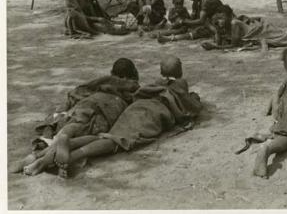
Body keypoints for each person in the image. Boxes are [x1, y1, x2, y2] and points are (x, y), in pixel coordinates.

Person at [22, 55, 202, 178]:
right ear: (180, 72)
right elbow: (188, 108)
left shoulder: (154, 84)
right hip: (145, 115)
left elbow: (138, 95)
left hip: (125, 109)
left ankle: (51, 150)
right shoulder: (178, 86)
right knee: (114, 139)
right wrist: (193, 103)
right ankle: (71, 156)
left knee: (88, 129)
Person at [11, 58, 140, 176]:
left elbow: (80, 91)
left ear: (112, 73)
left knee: (73, 125)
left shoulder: (105, 82)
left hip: (85, 104)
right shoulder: (132, 88)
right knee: (87, 133)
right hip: (104, 112)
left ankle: (38, 155)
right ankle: (42, 159)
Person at [201, 4, 287, 51]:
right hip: (255, 32)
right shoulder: (225, 26)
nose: (220, 21)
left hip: (260, 32)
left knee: (284, 38)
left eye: (222, 18)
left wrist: (214, 47)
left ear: (229, 16)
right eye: (218, 19)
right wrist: (217, 31)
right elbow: (219, 42)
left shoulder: (234, 23)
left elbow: (234, 45)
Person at [158, 0, 223, 43]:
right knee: (185, 27)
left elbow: (201, 20)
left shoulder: (206, 1)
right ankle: (164, 34)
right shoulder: (196, 2)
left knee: (199, 30)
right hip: (209, 22)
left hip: (220, 25)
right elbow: (193, 18)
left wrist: (182, 21)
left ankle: (170, 38)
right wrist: (181, 20)